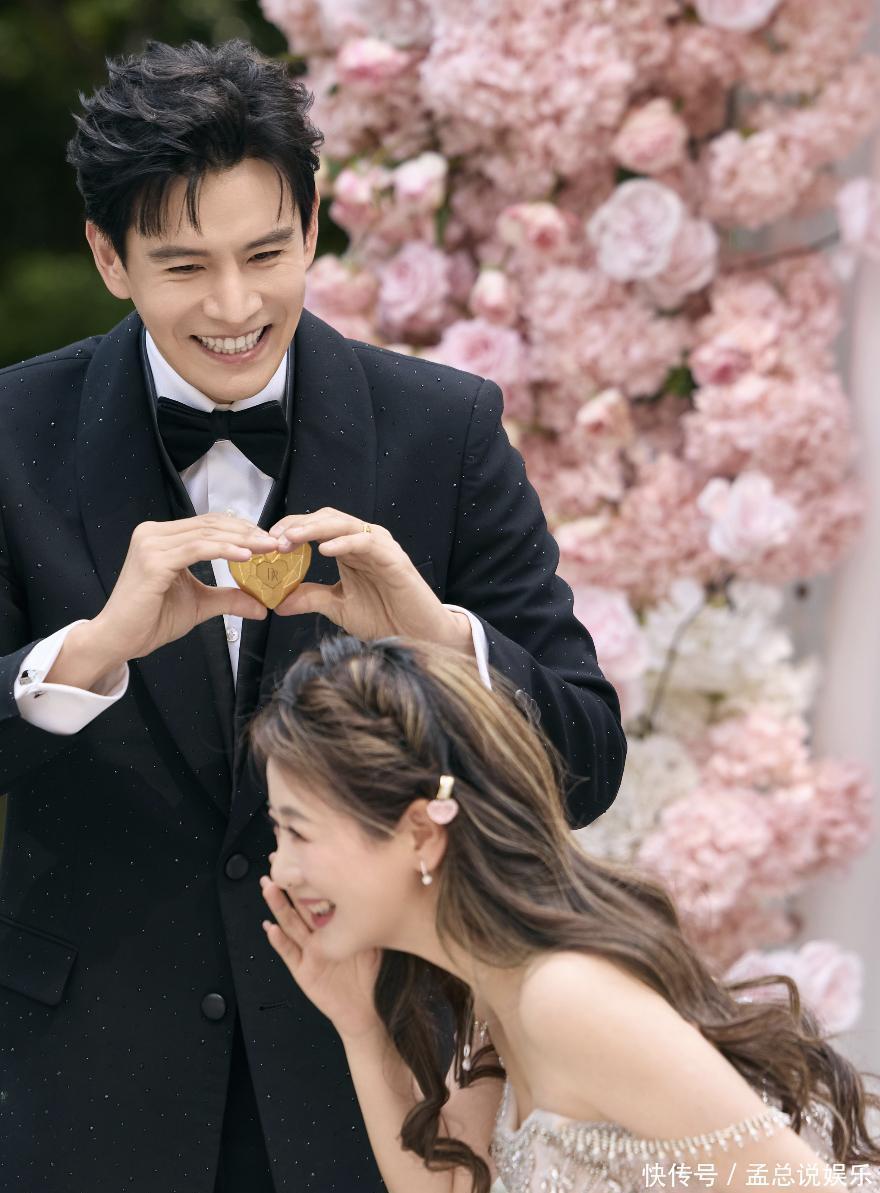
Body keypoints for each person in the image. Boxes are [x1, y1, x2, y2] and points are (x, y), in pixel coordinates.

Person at [0, 38, 626, 1193]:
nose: (235, 306)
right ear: (107, 255)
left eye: (266, 253)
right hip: (87, 1091)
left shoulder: (445, 429)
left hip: (385, 1094)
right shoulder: (10, 432)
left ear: (315, 219)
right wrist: (87, 654)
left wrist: (435, 635)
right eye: (183, 266)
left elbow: (586, 763)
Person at [253, 632, 880, 1193]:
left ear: (421, 832)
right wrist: (361, 1028)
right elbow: (452, 1184)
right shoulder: (494, 990)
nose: (281, 870)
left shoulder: (564, 997)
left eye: (298, 832)